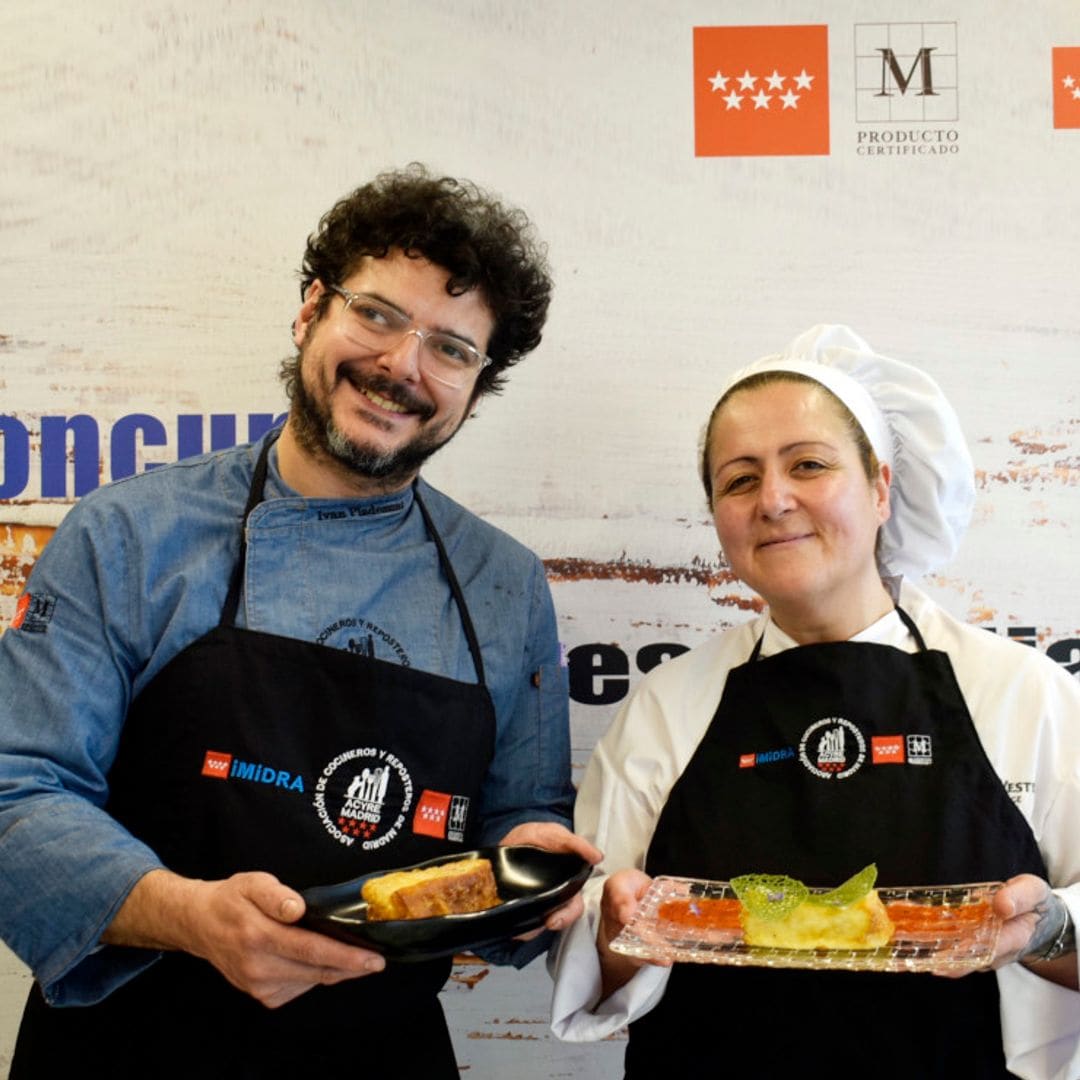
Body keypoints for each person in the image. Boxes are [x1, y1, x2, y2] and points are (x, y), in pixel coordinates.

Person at [0, 164, 599, 1077]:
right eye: (377, 314)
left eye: (451, 348)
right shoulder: (132, 535)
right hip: (132, 1046)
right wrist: (188, 915)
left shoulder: (503, 583)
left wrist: (529, 864)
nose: (402, 364)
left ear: (478, 387)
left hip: (381, 1054)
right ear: (310, 310)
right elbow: (17, 792)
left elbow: (514, 820)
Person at [549, 325, 1080, 1078]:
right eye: (738, 479)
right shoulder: (667, 707)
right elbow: (594, 970)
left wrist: (1048, 930)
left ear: (881, 487)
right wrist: (613, 927)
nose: (773, 500)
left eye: (808, 465)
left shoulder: (1026, 694)